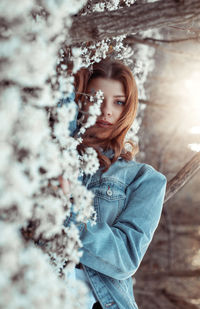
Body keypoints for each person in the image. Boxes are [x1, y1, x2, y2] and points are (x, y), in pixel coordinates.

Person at [61, 59, 167, 309]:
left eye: (118, 102)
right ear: (81, 100)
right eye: (94, 98)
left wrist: (69, 214)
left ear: (127, 108)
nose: (105, 110)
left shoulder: (144, 179)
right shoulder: (61, 152)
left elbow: (124, 259)